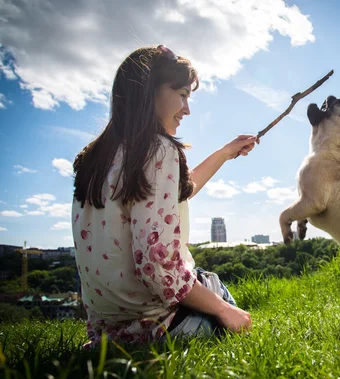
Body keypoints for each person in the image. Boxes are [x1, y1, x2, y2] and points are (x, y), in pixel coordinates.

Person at [71, 45, 256, 346]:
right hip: (160, 328)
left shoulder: (98, 157)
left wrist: (224, 153)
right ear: (149, 92)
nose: (187, 109)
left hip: (108, 334)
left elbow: (171, 198)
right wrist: (224, 310)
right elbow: (159, 267)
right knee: (215, 289)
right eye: (182, 95)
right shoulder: (160, 150)